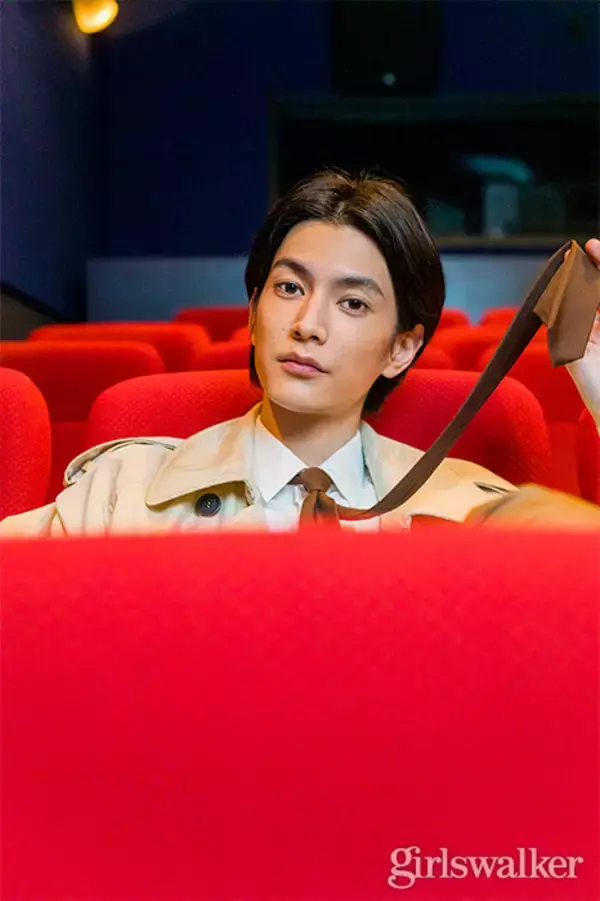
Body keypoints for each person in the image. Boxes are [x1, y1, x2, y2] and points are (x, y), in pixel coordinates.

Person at [2, 170, 600, 537]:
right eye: (289, 288)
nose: (307, 325)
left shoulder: (474, 508)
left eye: (353, 303)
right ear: (253, 313)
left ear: (401, 348)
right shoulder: (120, 491)